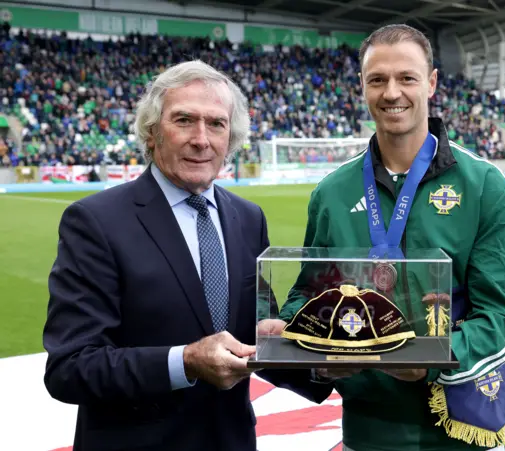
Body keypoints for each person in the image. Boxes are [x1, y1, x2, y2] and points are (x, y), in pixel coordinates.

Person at [42, 60, 332, 451]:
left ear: (231, 138)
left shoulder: (248, 218)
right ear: (151, 132)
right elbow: (70, 367)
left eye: (216, 124)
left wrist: (317, 361)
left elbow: (252, 335)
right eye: (184, 120)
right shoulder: (95, 222)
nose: (201, 139)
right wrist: (185, 362)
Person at [279, 25, 505, 451]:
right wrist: (304, 345)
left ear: (431, 82)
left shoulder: (484, 185)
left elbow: (504, 319)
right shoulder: (331, 193)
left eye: (406, 78)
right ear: (362, 86)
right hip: (366, 432)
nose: (391, 92)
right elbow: (305, 296)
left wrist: (430, 360)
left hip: (459, 432)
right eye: (377, 79)